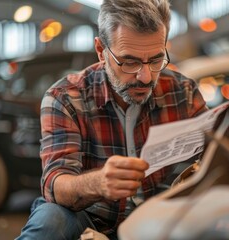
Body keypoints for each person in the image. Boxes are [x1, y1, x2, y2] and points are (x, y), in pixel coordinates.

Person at [17, 0, 215, 239]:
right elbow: (54, 186)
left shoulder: (182, 91)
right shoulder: (66, 97)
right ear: (101, 50)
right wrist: (98, 183)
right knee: (50, 220)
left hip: (162, 215)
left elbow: (215, 155)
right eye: (129, 62)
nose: (145, 77)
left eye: (155, 60)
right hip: (91, 215)